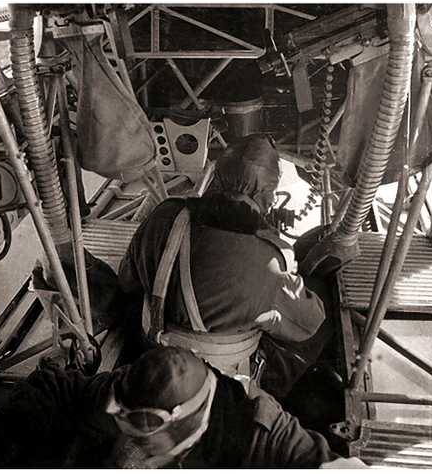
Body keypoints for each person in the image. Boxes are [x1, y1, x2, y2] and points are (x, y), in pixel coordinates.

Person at [118, 134, 329, 398]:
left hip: (151, 356)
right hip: (220, 381)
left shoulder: (165, 215)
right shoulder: (271, 258)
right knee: (320, 306)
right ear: (266, 194)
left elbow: (127, 280)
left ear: (217, 176)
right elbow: (307, 325)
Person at [0, 346, 366, 468]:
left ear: (186, 420)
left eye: (144, 435)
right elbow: (55, 388)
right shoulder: (124, 393)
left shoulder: (259, 431)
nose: (135, 445)